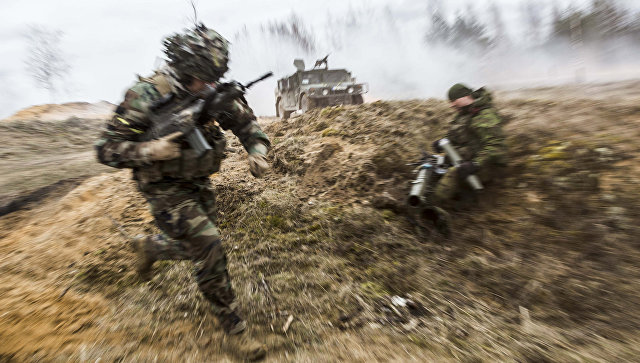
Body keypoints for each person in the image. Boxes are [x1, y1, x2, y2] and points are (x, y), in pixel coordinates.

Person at [95, 24, 269, 360]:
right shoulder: (145, 96)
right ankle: (235, 329)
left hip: (197, 180)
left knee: (198, 249)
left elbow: (247, 125)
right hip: (160, 186)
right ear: (184, 68)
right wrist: (148, 151)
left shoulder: (212, 92)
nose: (208, 85)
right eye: (202, 78)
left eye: (213, 77)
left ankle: (151, 248)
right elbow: (105, 150)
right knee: (208, 245)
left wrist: (258, 151)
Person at [425, 83, 506, 233]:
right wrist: (443, 142)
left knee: (452, 174)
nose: (451, 106)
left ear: (464, 97)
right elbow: (457, 136)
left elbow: (496, 147)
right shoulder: (464, 113)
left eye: (453, 101)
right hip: (466, 159)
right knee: (431, 164)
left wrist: (475, 164)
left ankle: (429, 211)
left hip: (486, 165)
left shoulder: (485, 116)